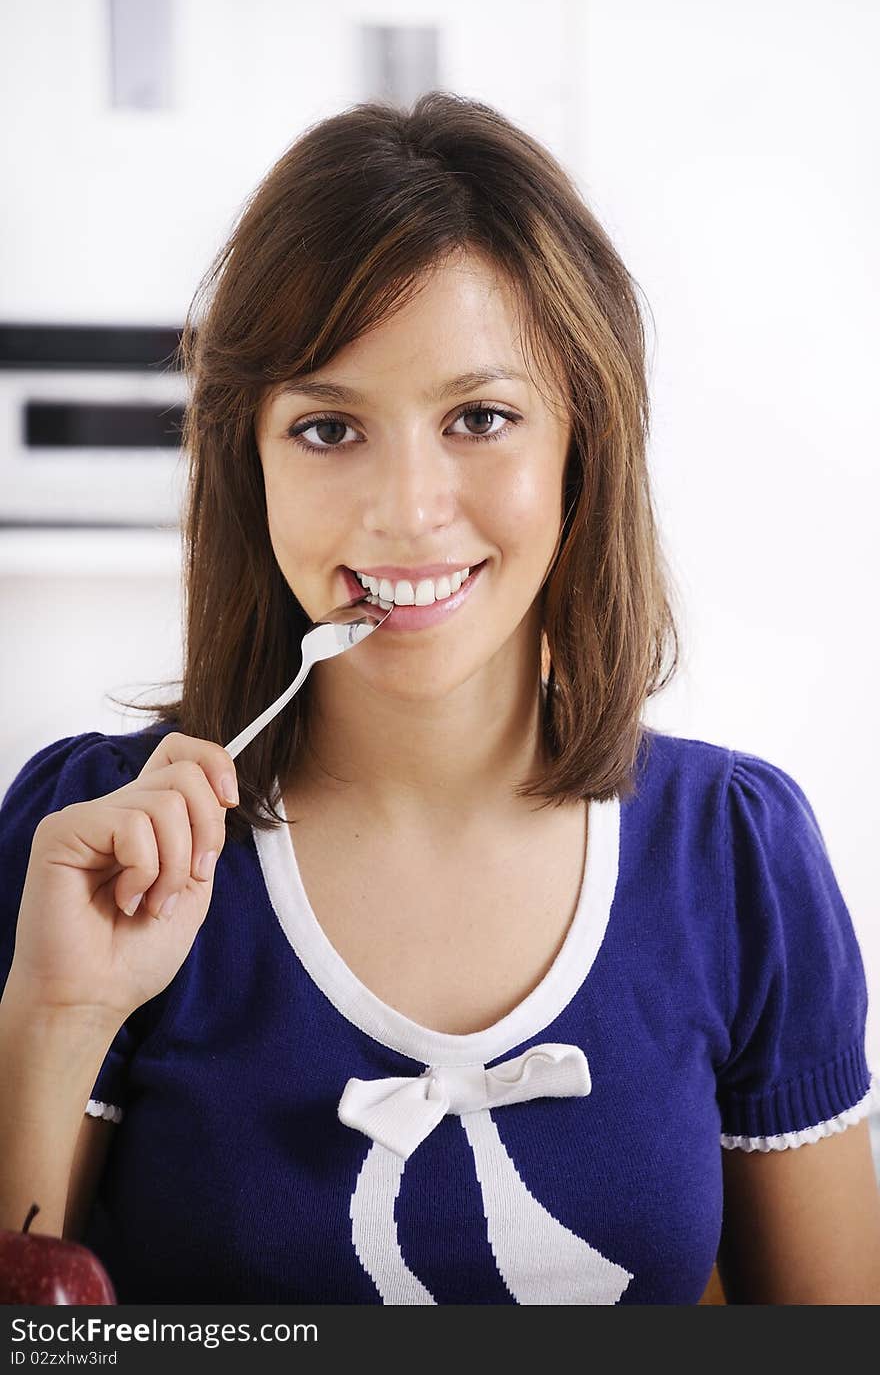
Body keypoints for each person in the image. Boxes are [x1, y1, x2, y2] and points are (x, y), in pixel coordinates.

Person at [1, 92, 879, 1307]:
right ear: (245, 465)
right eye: (326, 427)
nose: (407, 508)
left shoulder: (734, 858)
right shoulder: (91, 845)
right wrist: (57, 1017)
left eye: (479, 418)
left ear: (583, 443)